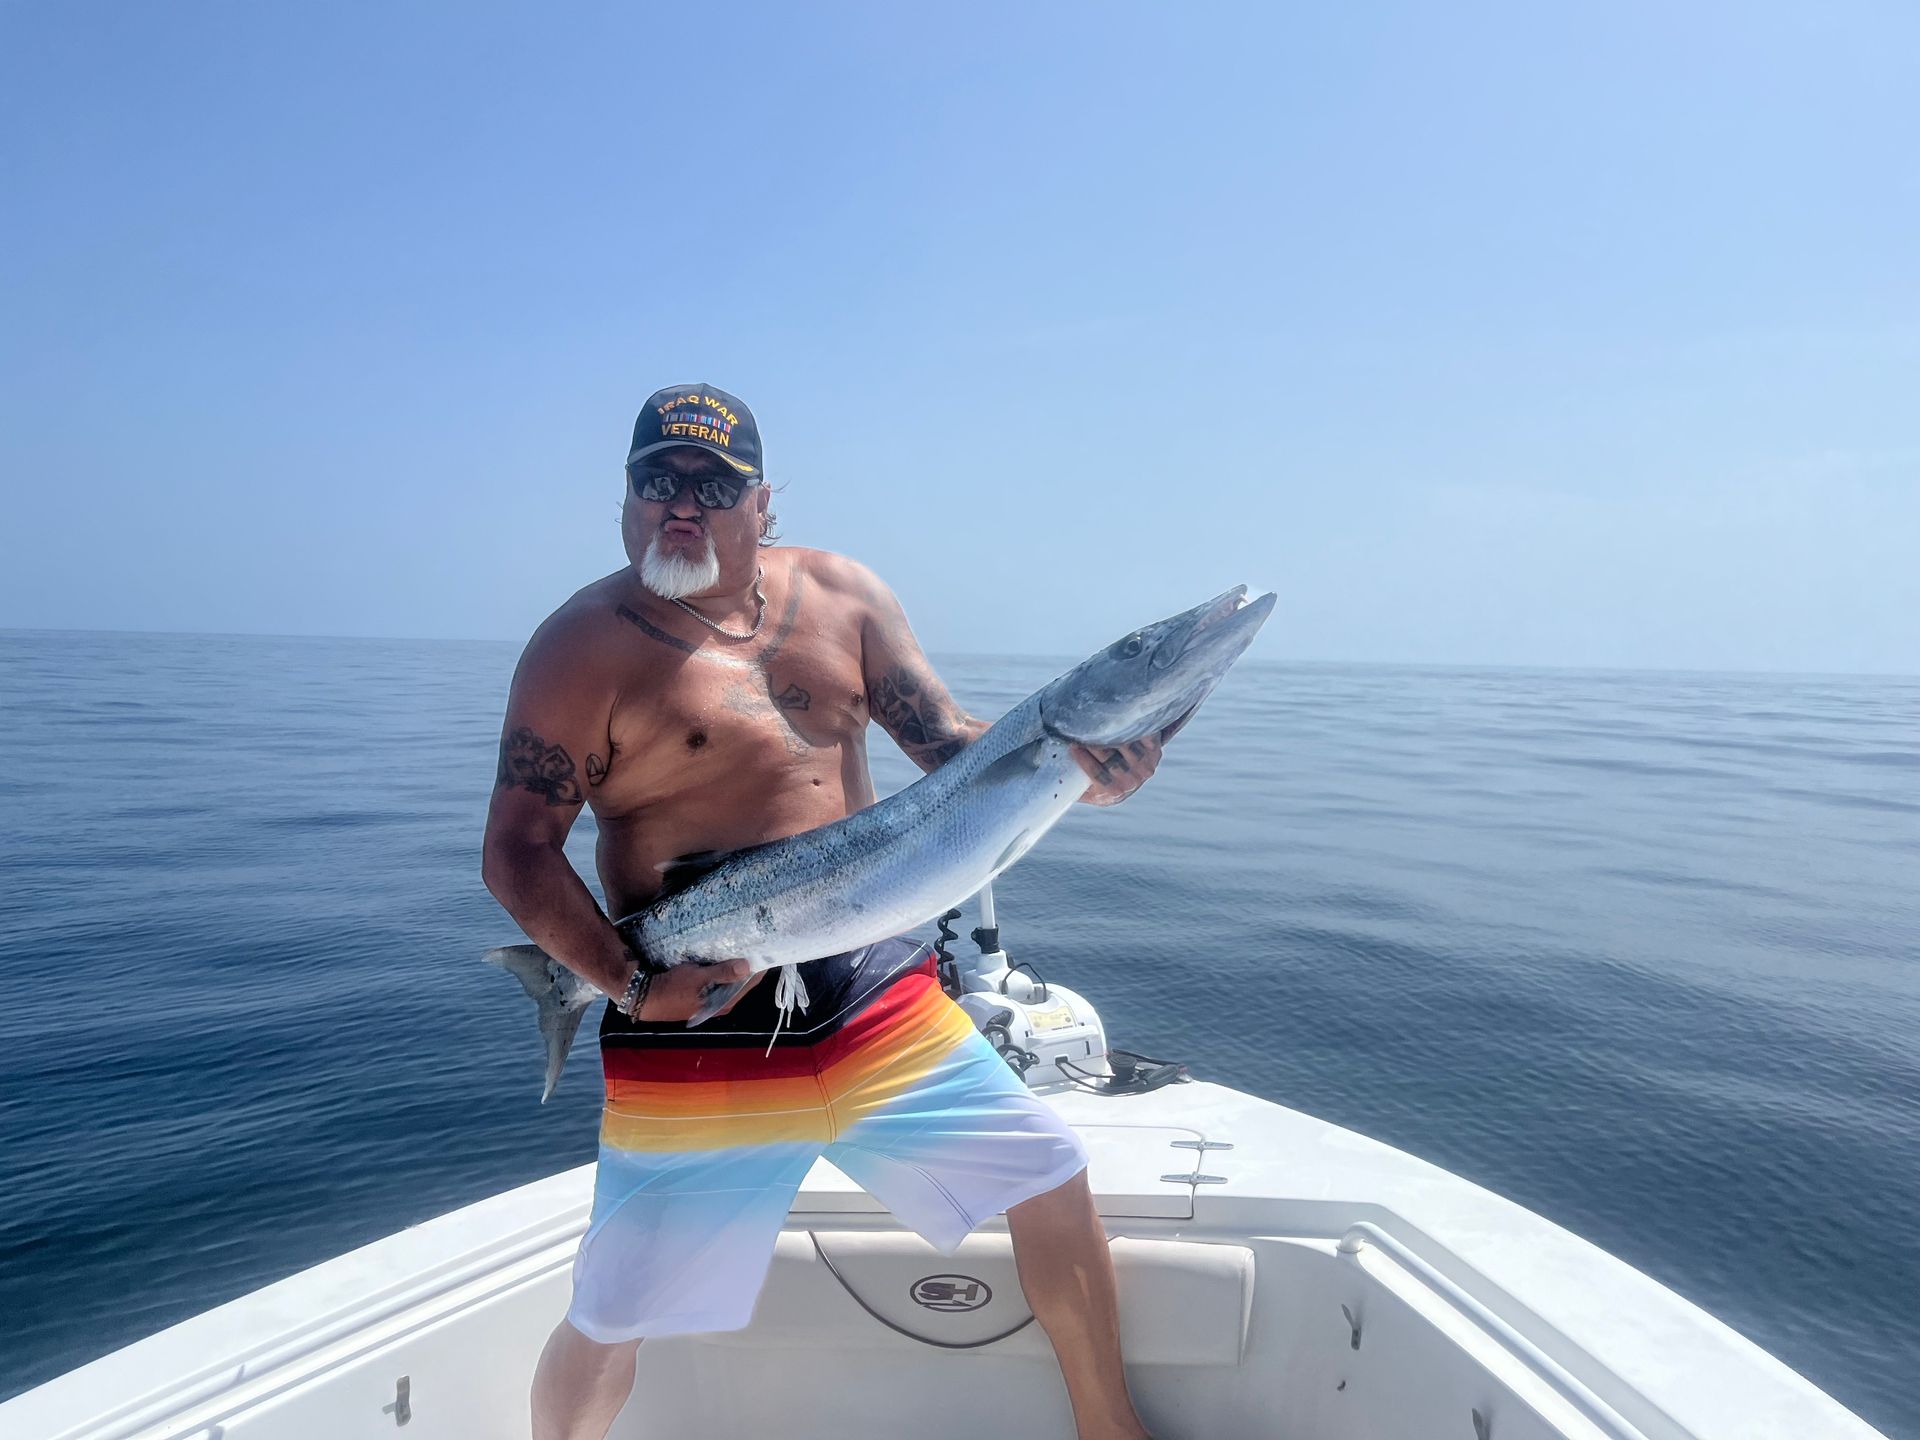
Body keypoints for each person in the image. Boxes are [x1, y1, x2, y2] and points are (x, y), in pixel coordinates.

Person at [482, 383, 1165, 1440]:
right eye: (657, 479)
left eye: (713, 485)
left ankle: (1110, 1431)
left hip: (871, 990)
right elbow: (517, 850)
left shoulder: (844, 597)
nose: (681, 504)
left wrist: (1083, 771)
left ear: (764, 503)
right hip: (695, 1019)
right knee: (615, 1309)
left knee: (1050, 1176)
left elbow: (951, 749)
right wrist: (627, 983)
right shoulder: (579, 649)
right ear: (625, 496)